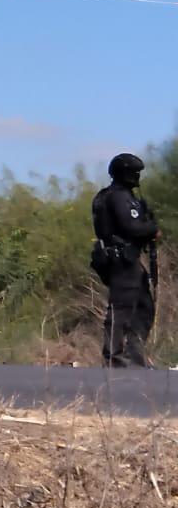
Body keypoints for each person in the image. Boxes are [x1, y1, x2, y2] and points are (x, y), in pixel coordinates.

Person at [91, 153, 161, 368]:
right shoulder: (118, 197)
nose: (137, 176)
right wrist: (152, 228)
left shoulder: (119, 195)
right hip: (121, 261)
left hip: (128, 259)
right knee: (122, 308)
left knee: (144, 307)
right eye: (135, 172)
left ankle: (134, 357)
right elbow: (132, 227)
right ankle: (115, 358)